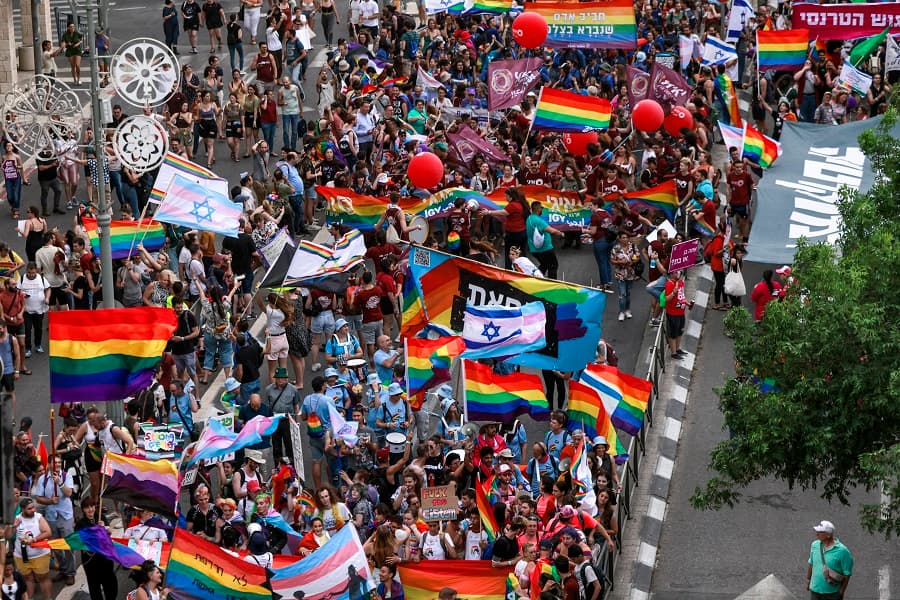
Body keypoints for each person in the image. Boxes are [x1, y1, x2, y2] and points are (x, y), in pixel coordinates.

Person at [32, 455, 76, 586]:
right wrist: (50, 501)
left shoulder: (66, 475)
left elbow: (68, 493)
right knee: (56, 546)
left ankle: (70, 573)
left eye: (59, 462)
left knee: (68, 546)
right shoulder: (42, 479)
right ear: (49, 464)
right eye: (55, 462)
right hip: (51, 517)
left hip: (65, 516)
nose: (58, 464)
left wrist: (60, 483)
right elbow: (39, 498)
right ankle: (63, 569)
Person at [12, 497, 52, 599]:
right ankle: (30, 598)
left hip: (40, 555)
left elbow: (48, 532)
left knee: (43, 578)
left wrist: (34, 540)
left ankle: (48, 598)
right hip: (21, 556)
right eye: (29, 509)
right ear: (23, 509)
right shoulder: (17, 519)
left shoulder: (38, 517)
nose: (33, 510)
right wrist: (13, 526)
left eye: (33, 507)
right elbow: (8, 536)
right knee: (27, 578)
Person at [264, 366, 302, 463]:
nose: (280, 380)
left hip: (288, 420)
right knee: (276, 446)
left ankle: (292, 467)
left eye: (282, 378)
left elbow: (296, 406)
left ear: (286, 379)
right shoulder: (269, 389)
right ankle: (277, 467)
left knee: (290, 444)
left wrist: (297, 422)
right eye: (278, 378)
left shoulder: (293, 389)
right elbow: (267, 407)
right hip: (275, 420)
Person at [807, 520, 853, 600]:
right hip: (815, 591)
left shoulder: (843, 551)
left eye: (820, 532)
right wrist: (808, 580)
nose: (816, 534)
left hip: (832, 594)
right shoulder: (815, 545)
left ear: (828, 535)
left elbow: (847, 573)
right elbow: (811, 563)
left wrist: (841, 591)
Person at [526, 201, 564, 279]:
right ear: (538, 209)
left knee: (544, 264)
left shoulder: (529, 219)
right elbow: (551, 231)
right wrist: (560, 233)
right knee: (553, 266)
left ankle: (536, 279)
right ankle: (552, 285)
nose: (542, 210)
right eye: (541, 208)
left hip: (534, 249)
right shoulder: (538, 221)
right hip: (545, 249)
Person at [664, 270, 691, 359]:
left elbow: (681, 296)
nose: (678, 273)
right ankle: (673, 352)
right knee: (673, 333)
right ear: (671, 274)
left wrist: (687, 303)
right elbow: (666, 299)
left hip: (681, 311)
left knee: (680, 331)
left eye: (679, 272)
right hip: (672, 313)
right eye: (676, 272)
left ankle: (678, 348)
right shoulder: (669, 284)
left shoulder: (680, 283)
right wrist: (673, 293)